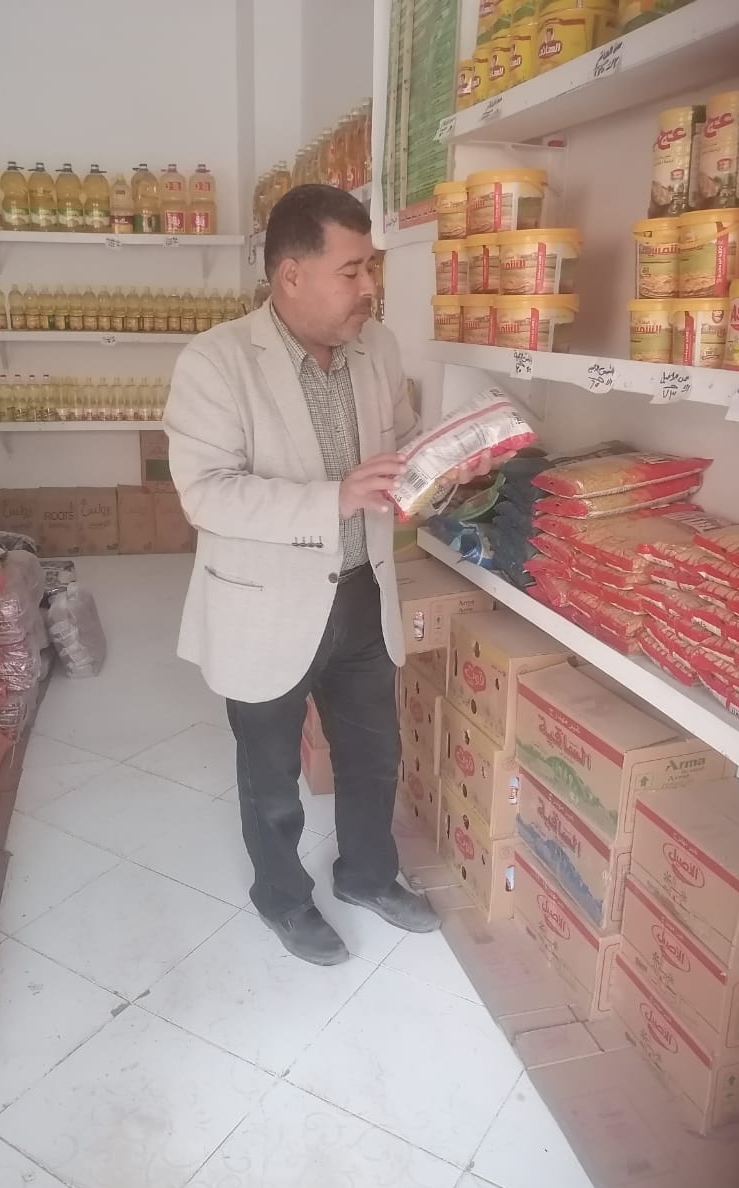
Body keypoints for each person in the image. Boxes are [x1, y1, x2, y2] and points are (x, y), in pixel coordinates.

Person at [164, 184, 495, 966]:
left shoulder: (376, 348)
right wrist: (334, 497)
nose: (369, 286)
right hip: (265, 604)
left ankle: (369, 876)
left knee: (374, 754)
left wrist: (445, 473)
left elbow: (400, 446)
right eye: (352, 271)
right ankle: (282, 898)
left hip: (362, 591)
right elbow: (207, 493)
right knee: (271, 773)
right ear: (292, 275)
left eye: (370, 267)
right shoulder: (215, 362)